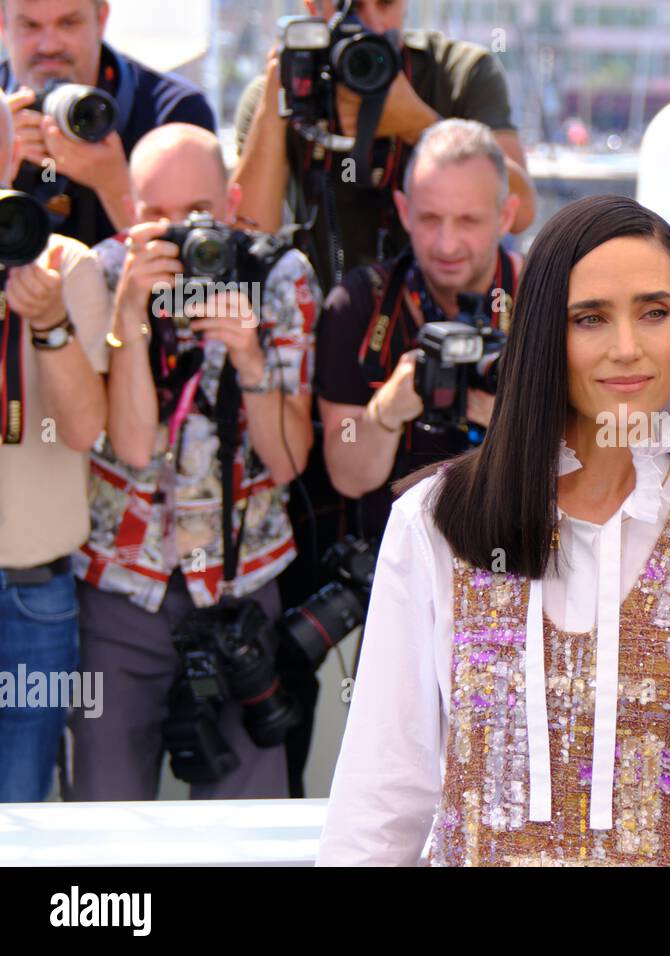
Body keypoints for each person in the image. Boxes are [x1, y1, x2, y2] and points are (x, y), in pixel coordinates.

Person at [317, 195, 670, 866]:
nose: (626, 348)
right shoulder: (434, 524)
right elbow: (380, 801)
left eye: (654, 312)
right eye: (589, 318)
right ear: (546, 330)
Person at [65, 123, 322, 801]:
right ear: (131, 211)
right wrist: (132, 320)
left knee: (244, 829)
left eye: (198, 216)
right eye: (157, 218)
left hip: (241, 591)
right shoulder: (102, 271)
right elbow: (133, 444)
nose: (182, 238)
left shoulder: (278, 276)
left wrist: (250, 358)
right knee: (105, 810)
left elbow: (289, 460)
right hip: (124, 587)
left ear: (233, 201)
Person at [233, 0, 535, 292]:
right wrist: (280, 97)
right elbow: (250, 238)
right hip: (326, 323)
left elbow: (520, 211)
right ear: (312, 6)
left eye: (385, 3)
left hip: (445, 320)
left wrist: (420, 126)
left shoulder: (460, 73)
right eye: (347, 9)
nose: (370, 26)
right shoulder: (281, 93)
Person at [316, 118, 520, 541]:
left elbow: (591, 467)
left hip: (515, 556)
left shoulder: (546, 298)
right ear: (404, 211)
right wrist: (386, 412)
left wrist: (514, 423)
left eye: (468, 221)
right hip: (393, 567)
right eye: (430, 219)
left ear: (506, 216)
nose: (447, 244)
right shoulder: (359, 305)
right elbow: (347, 477)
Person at [0, 98, 111, 802]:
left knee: (19, 815)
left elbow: (82, 431)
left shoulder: (63, 263)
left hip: (34, 592)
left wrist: (47, 326)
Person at [0, 0, 216, 247]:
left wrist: (115, 185)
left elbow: (195, 266)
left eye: (68, 23)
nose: (49, 46)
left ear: (101, 19)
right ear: (3, 24)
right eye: (30, 25)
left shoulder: (172, 111)